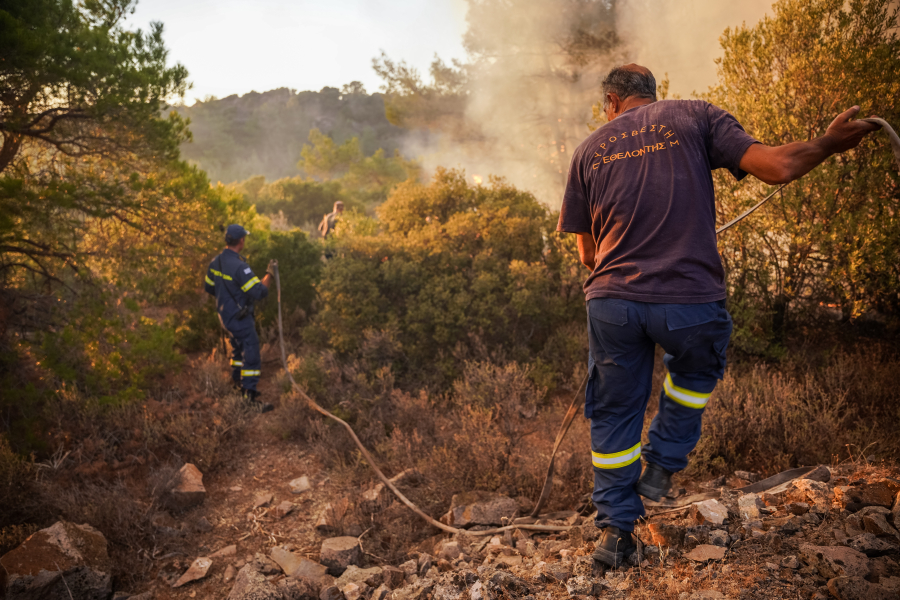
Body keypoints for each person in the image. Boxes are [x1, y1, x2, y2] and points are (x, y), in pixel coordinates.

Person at [557, 64, 879, 569]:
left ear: (612, 102)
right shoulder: (694, 116)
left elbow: (587, 255)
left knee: (615, 414)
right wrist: (829, 143)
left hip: (612, 304)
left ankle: (616, 536)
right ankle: (662, 464)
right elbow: (778, 166)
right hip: (688, 301)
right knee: (694, 374)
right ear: (652, 95)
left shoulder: (588, 150)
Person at [204, 224, 278, 413]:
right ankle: (249, 398)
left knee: (238, 352)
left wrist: (227, 299)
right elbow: (259, 292)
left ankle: (237, 385)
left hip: (225, 317)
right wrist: (270, 274)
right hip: (240, 319)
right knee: (251, 355)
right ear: (241, 241)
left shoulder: (216, 262)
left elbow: (209, 287)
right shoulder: (240, 267)